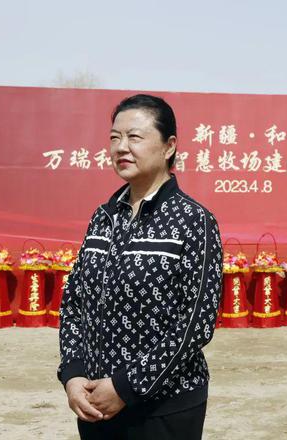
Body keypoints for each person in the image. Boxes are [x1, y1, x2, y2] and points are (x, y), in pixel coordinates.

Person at [57, 94, 223, 439]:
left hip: (164, 408)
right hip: (95, 404)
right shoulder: (103, 218)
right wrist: (73, 375)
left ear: (168, 147)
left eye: (134, 137)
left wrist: (126, 386)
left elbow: (195, 324)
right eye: (114, 137)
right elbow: (74, 303)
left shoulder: (194, 222)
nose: (121, 147)